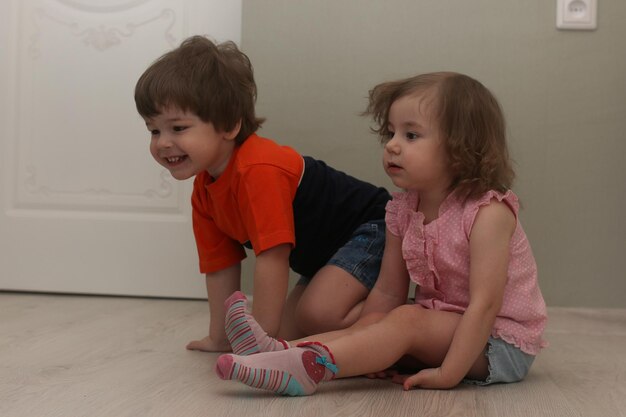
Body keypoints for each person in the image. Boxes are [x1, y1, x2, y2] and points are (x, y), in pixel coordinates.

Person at [214, 72, 548, 395]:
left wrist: (449, 373)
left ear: (461, 150)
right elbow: (387, 293)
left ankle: (308, 369)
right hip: (442, 326)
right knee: (392, 320)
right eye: (390, 134)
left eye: (411, 136)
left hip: (496, 343)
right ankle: (277, 351)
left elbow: (485, 304)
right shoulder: (403, 210)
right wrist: (366, 334)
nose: (392, 146)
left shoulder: (487, 213)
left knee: (406, 319)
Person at [133, 36, 391, 352]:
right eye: (154, 130)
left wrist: (260, 341)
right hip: (327, 255)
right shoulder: (205, 190)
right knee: (290, 332)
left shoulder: (258, 169)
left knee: (316, 314)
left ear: (228, 125)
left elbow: (272, 256)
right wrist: (221, 337)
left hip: (375, 228)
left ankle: (404, 323)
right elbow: (220, 267)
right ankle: (375, 327)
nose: (162, 142)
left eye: (178, 128)